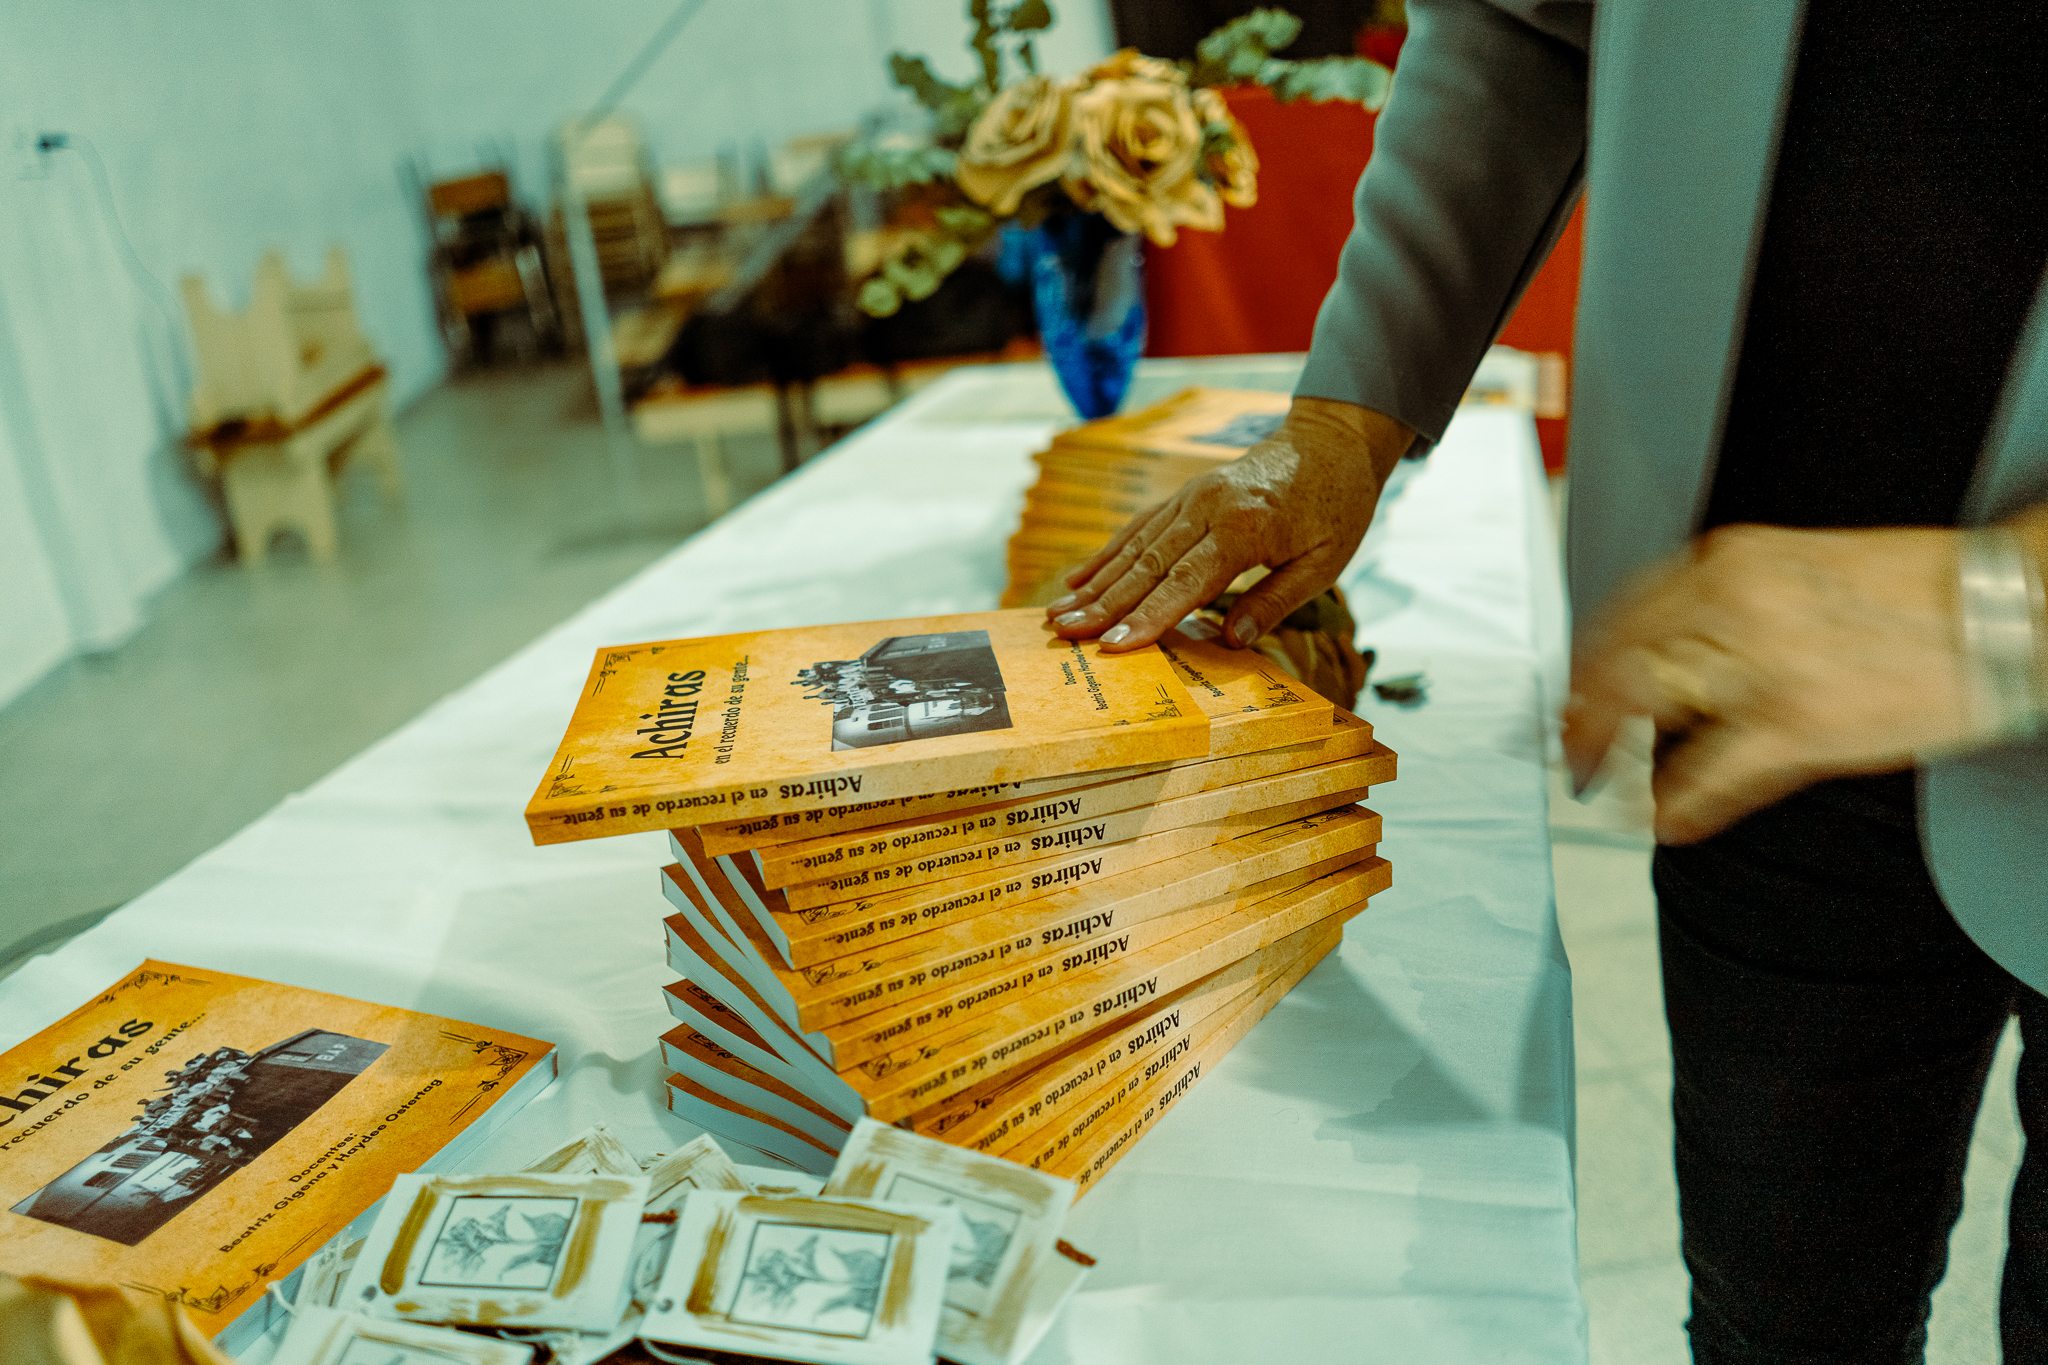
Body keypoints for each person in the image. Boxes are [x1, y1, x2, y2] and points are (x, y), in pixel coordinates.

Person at [1044, 3, 2048, 1359]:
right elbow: (1520, 27)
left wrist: (2001, 610)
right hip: (1752, 679)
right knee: (1779, 1317)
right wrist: (1346, 416)